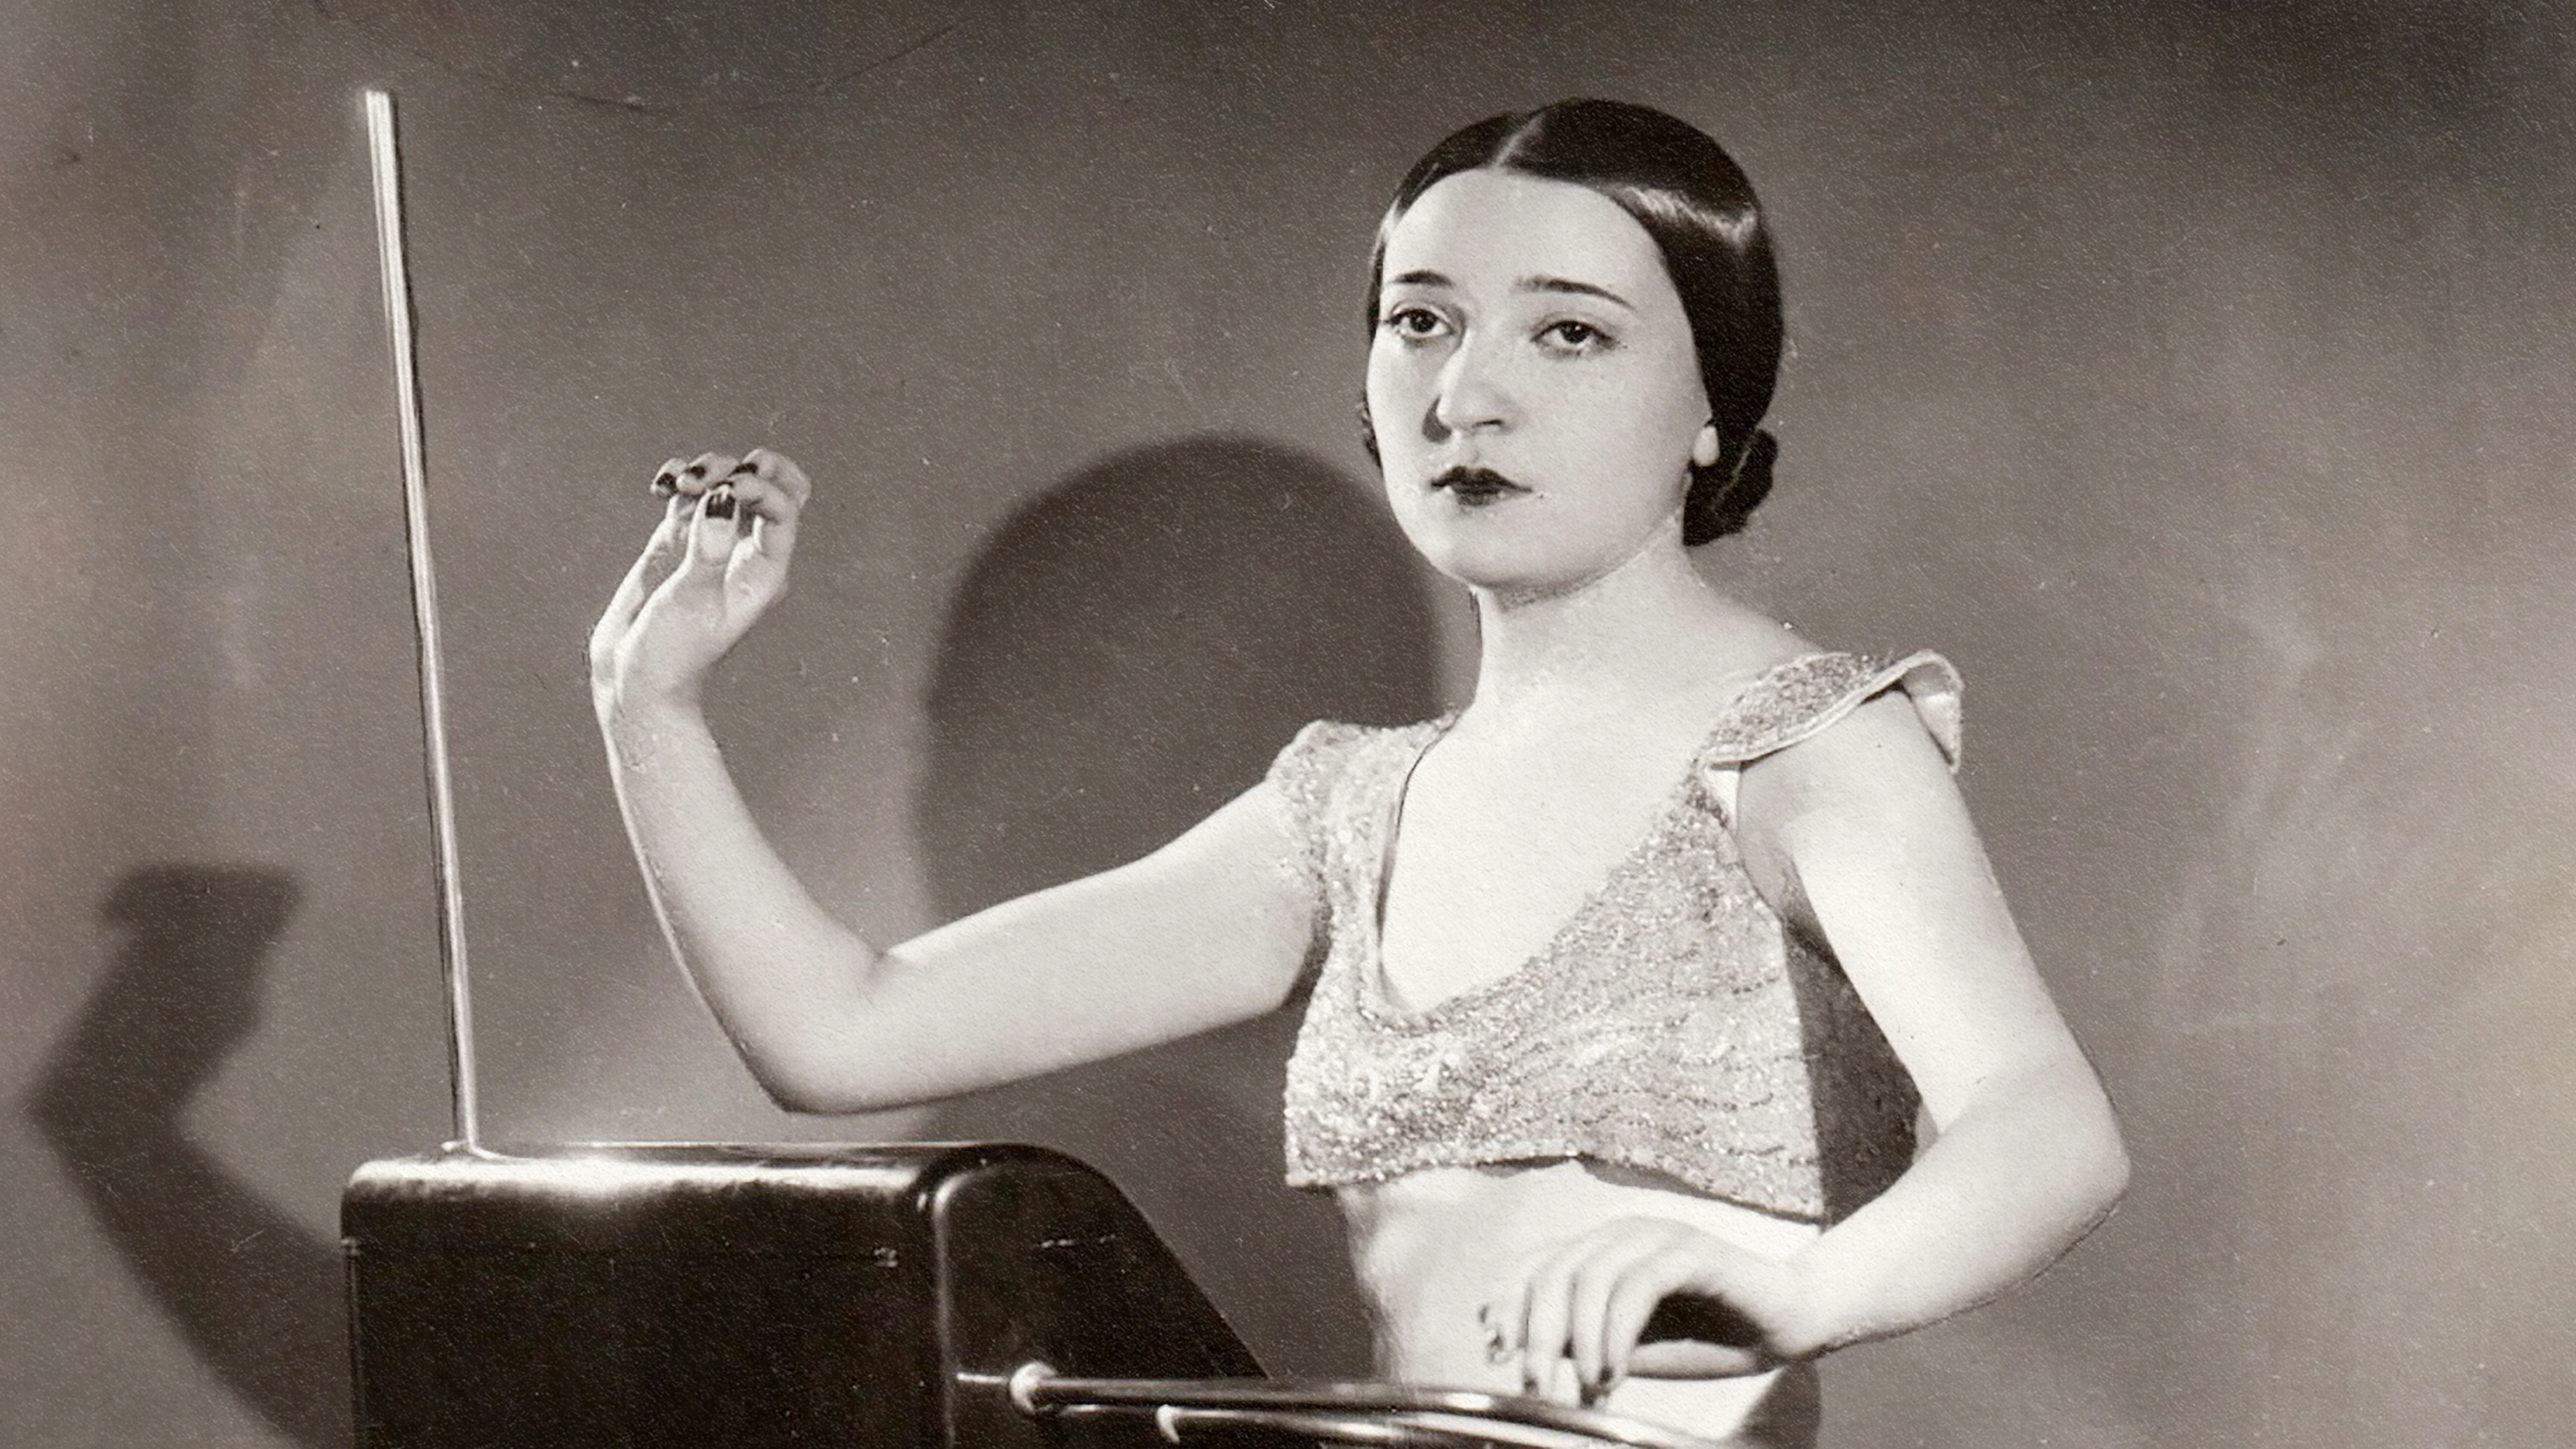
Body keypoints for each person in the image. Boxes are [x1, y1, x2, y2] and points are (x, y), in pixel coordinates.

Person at [588, 98, 2128, 1448]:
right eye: (1422, 322)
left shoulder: (1804, 747)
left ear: (1709, 407)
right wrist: (650, 702)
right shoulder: (1343, 814)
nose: (1467, 397)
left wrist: (1800, 1295)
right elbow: (841, 1034)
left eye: (1570, 332)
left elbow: (2048, 1130)